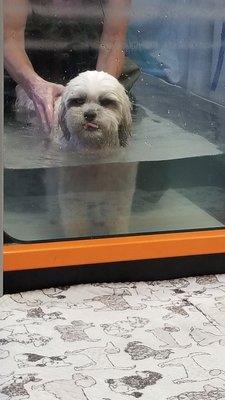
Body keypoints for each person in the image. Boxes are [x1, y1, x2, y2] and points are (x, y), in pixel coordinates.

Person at [4, 0, 133, 133]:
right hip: (28, 66)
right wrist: (34, 86)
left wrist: (101, 92)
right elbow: (8, 39)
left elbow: (113, 41)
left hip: (91, 64)